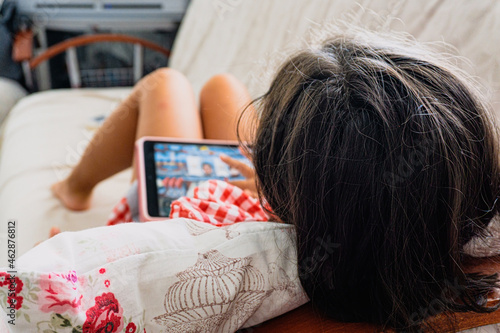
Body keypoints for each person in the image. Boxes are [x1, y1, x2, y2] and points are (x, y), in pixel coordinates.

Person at [52, 30, 500, 332]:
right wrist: (288, 197)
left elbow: (135, 265)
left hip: (214, 217)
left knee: (165, 84)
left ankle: (74, 188)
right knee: (223, 88)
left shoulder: (217, 238)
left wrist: (80, 255)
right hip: (294, 210)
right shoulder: (455, 266)